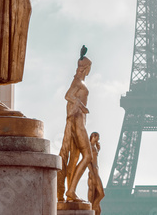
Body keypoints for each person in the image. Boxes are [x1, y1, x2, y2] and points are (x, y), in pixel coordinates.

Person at [57, 46, 93, 202]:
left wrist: (81, 107)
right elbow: (68, 95)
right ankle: (71, 190)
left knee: (74, 158)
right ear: (86, 68)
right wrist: (81, 105)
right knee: (88, 156)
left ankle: (71, 191)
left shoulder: (80, 81)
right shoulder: (78, 80)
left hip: (79, 121)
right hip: (78, 123)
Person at [88, 132, 105, 215]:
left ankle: (95, 207)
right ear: (93, 136)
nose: (99, 138)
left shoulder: (95, 146)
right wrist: (92, 173)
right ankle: (93, 206)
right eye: (98, 136)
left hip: (96, 171)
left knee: (98, 194)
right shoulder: (89, 147)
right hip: (94, 172)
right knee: (101, 194)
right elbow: (88, 162)